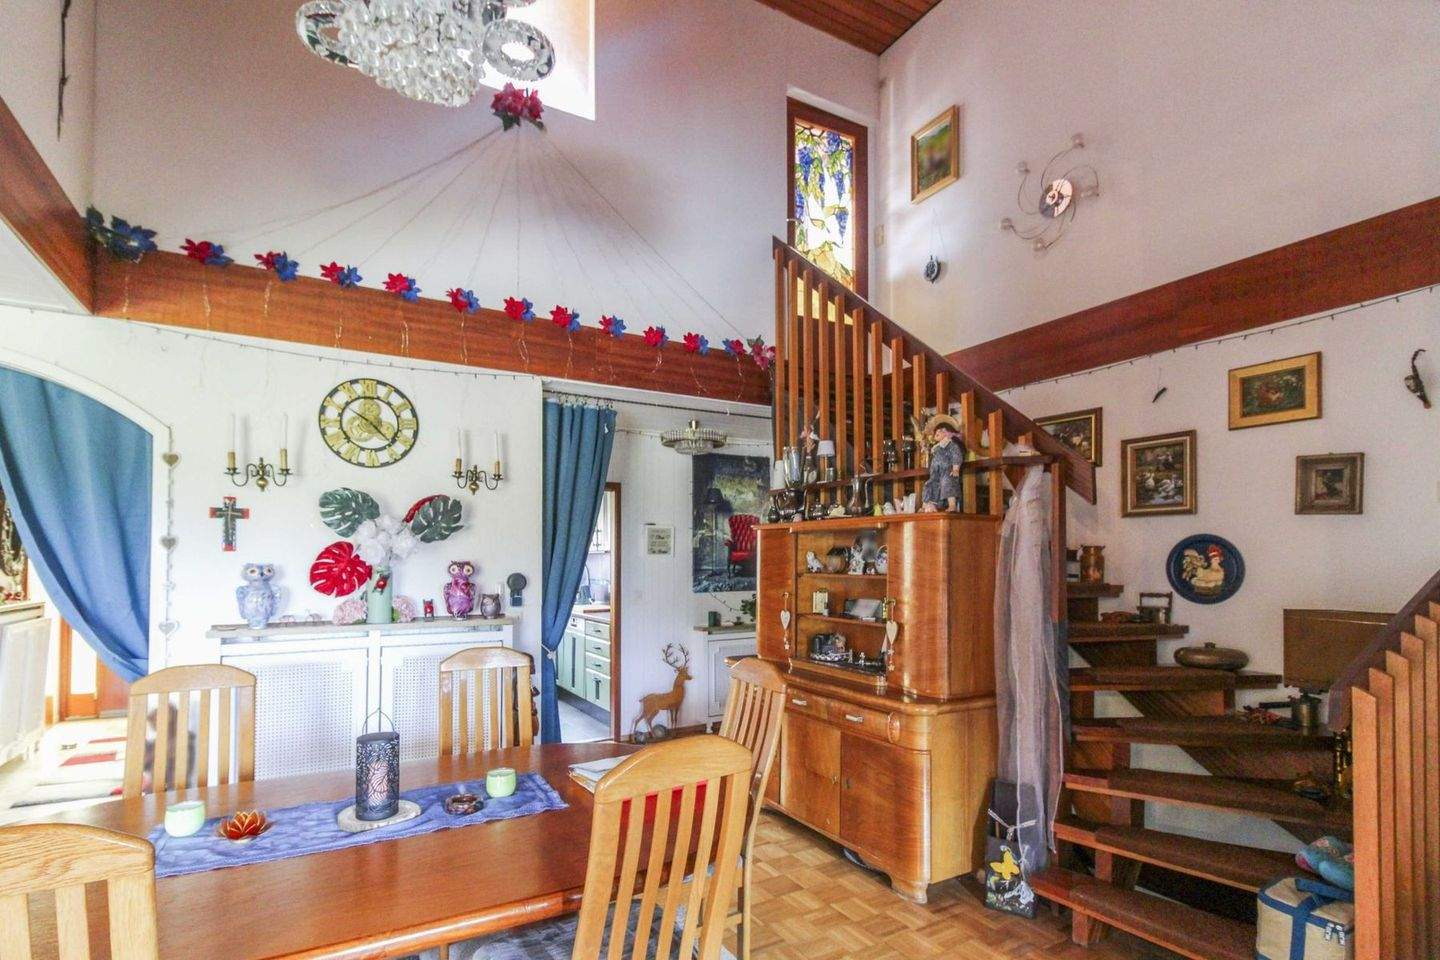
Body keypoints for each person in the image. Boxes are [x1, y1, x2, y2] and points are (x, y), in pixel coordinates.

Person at [920, 414, 966, 512]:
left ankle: (952, 505)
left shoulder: (951, 445)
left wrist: (956, 468)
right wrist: (924, 447)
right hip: (935, 472)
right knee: (930, 484)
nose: (937, 433)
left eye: (940, 430)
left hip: (947, 471)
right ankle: (927, 505)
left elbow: (956, 455)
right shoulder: (936, 448)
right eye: (936, 431)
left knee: (948, 483)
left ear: (947, 432)